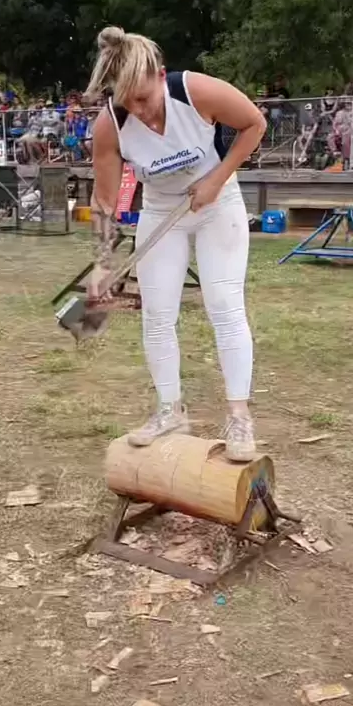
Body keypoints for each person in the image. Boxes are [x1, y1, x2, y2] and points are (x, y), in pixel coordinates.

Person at [84, 26, 267, 462]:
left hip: (218, 205)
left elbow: (254, 124)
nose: (139, 111)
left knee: (224, 304)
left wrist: (216, 179)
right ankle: (170, 410)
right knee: (157, 314)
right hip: (161, 211)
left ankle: (239, 415)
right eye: (128, 101)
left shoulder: (196, 91)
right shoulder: (110, 125)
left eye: (144, 98)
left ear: (161, 75)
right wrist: (102, 263)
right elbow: (104, 201)